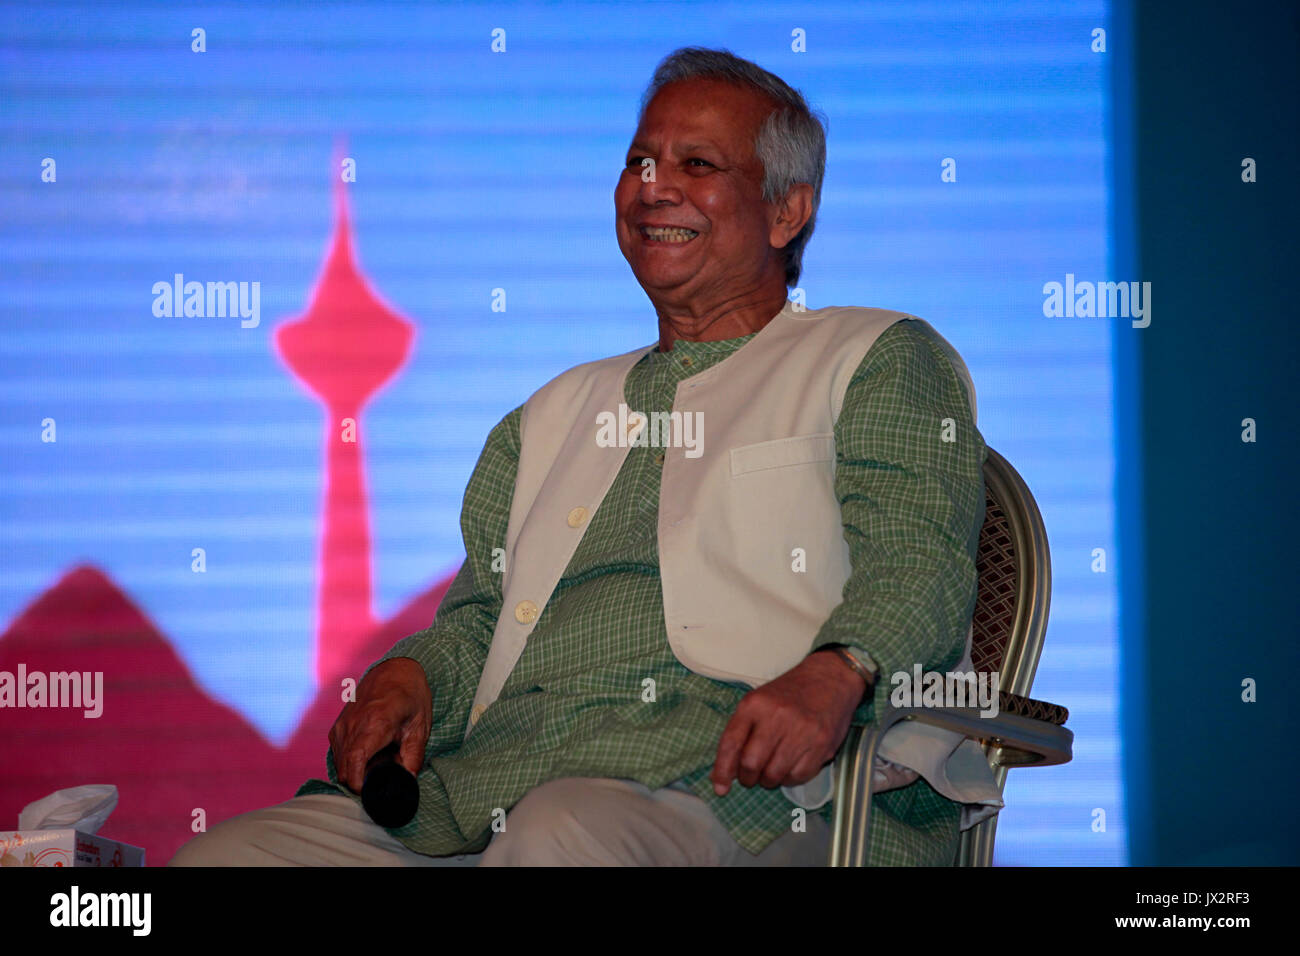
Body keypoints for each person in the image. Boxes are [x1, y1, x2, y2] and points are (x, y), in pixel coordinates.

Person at [169, 46, 999, 868]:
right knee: (230, 857)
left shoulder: (877, 356)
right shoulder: (550, 415)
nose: (653, 185)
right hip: (493, 786)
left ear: (788, 212)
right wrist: (411, 679)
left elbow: (918, 563)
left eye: (696, 163)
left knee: (556, 833)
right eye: (640, 159)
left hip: (758, 789)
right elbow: (482, 622)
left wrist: (838, 670)